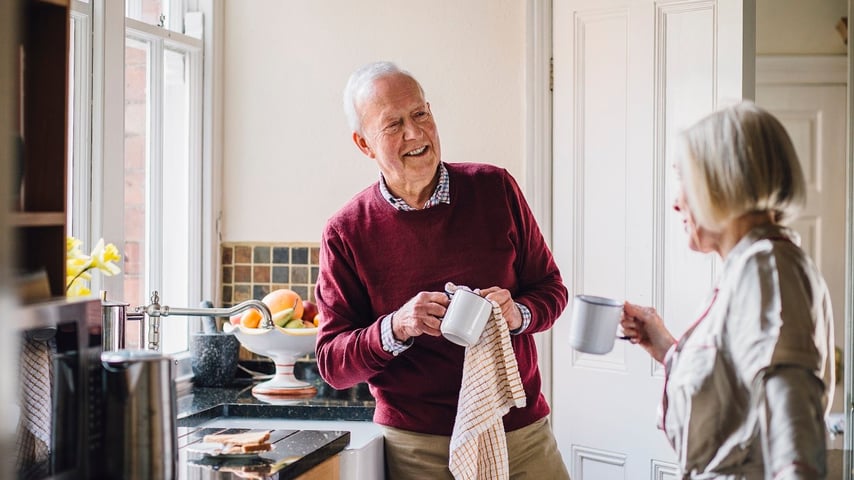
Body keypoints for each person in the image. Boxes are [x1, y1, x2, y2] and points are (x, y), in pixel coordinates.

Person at [314, 61, 571, 479]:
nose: (414, 133)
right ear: (364, 144)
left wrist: (517, 313)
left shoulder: (496, 189)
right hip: (417, 448)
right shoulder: (346, 232)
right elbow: (332, 363)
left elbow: (551, 289)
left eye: (420, 114)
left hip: (520, 435)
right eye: (393, 124)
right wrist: (396, 327)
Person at [620, 101, 835, 479]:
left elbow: (792, 431)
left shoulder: (766, 269)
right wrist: (668, 350)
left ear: (723, 180)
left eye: (683, 178)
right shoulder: (751, 268)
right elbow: (737, 402)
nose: (675, 202)